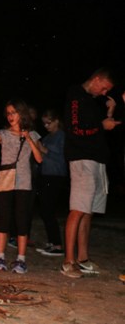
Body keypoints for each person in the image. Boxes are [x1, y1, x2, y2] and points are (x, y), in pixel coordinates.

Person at [60, 68, 120, 278]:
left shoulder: (93, 101)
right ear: (96, 79)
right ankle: (68, 261)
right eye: (103, 87)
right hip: (82, 159)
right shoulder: (75, 95)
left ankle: (83, 259)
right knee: (78, 209)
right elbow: (75, 129)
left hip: (97, 160)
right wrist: (101, 125)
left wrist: (110, 112)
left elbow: (98, 129)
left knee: (88, 210)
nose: (104, 92)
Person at [0, 99, 42, 274]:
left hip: (23, 181)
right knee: (4, 218)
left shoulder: (33, 135)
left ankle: (21, 260)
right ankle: (1, 257)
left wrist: (28, 138)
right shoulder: (3, 134)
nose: (11, 116)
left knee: (21, 220)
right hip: (5, 179)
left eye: (14, 112)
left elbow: (39, 158)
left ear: (22, 113)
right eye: (8, 113)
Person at [34, 109, 67, 257]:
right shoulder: (47, 137)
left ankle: (58, 245)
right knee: (44, 210)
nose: (46, 126)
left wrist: (43, 149)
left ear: (57, 121)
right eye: (44, 123)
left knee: (48, 209)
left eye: (49, 122)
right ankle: (52, 242)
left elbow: (61, 157)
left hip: (56, 176)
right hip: (45, 175)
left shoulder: (62, 136)